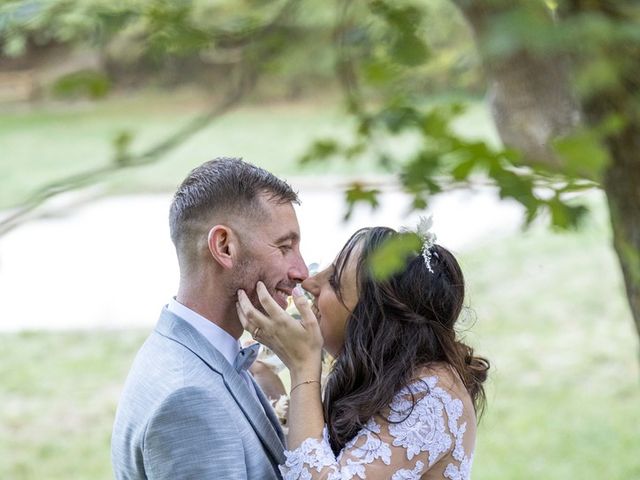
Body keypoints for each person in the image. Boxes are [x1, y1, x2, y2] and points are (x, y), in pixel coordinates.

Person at [237, 224, 490, 479]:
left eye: (334, 282)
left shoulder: (434, 396)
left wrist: (302, 366)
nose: (310, 282)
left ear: (376, 319)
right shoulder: (381, 379)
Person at [111, 158, 309, 479]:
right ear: (224, 246)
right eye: (284, 247)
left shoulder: (190, 352)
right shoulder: (188, 398)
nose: (300, 272)